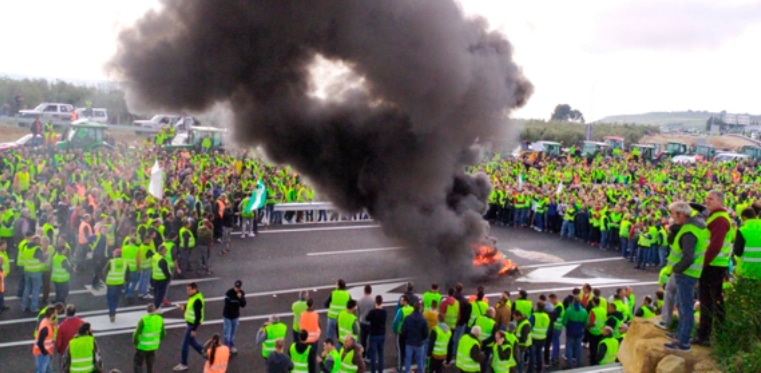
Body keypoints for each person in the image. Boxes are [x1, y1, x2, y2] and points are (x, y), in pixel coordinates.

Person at [663, 202, 707, 352]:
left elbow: (688, 257)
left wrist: (677, 269)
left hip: (686, 274)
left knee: (685, 307)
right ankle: (682, 336)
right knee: (683, 306)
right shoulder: (696, 225)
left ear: (682, 215)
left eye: (673, 215)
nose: (672, 219)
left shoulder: (689, 231)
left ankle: (683, 343)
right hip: (690, 273)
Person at [694, 191, 731, 347]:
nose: (707, 201)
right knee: (714, 300)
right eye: (706, 198)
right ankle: (717, 332)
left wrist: (703, 263)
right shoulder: (715, 217)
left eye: (711, 199)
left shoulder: (720, 219)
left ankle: (704, 335)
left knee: (708, 301)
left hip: (712, 266)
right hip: (715, 265)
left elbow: (715, 245)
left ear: (720, 201)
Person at [174, 282, 205, 371]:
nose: (187, 291)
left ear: (194, 289)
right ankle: (208, 355)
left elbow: (198, 316)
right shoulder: (194, 296)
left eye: (189, 289)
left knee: (184, 344)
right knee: (192, 342)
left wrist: (194, 329)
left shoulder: (197, 300)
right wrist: (183, 307)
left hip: (192, 325)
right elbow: (189, 306)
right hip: (190, 323)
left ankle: (184, 363)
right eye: (187, 289)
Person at [134, 304, 166, 373]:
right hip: (153, 346)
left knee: (138, 363)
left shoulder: (143, 320)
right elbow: (163, 334)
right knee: (150, 364)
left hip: (142, 346)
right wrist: (157, 340)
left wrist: (136, 343)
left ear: (147, 311)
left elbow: (136, 334)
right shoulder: (160, 319)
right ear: (155, 310)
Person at [562, 296, 588, 370]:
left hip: (570, 331)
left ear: (573, 301)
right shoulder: (584, 311)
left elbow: (564, 322)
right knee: (578, 347)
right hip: (579, 332)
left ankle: (569, 364)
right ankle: (578, 363)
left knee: (569, 347)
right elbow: (586, 323)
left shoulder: (568, 310)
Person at [402, 302, 429, 373]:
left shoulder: (408, 318)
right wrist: (421, 339)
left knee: (408, 360)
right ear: (420, 309)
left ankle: (407, 371)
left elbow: (404, 330)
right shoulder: (423, 320)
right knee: (420, 361)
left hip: (409, 342)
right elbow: (426, 333)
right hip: (419, 343)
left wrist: (407, 338)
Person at [22, 235, 45, 313]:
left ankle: (23, 306)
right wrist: (46, 254)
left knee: (27, 288)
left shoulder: (26, 247)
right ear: (37, 241)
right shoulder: (37, 249)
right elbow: (42, 259)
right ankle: (33, 307)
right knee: (36, 290)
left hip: (27, 270)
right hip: (35, 271)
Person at [223, 280, 247, 354]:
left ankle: (231, 346)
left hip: (235, 316)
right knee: (227, 333)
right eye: (236, 287)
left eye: (238, 288)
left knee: (232, 333)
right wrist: (236, 301)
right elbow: (227, 304)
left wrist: (240, 298)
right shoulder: (229, 293)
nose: (237, 289)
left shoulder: (241, 293)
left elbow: (243, 304)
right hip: (227, 316)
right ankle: (227, 348)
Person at [365, 295, 387, 373]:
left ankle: (373, 371)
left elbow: (367, 318)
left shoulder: (372, 312)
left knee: (373, 355)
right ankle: (381, 370)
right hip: (382, 334)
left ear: (375, 302)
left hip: (374, 335)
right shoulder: (384, 312)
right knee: (381, 353)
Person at [104, 248, 126, 322]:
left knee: (110, 299)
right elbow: (127, 273)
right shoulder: (125, 262)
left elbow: (104, 271)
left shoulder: (111, 262)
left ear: (115, 254)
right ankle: (114, 310)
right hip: (120, 283)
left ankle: (112, 313)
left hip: (111, 283)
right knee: (116, 299)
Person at [33, 307, 56, 373]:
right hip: (42, 353)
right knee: (41, 370)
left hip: (45, 352)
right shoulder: (45, 327)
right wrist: (44, 352)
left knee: (48, 369)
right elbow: (40, 342)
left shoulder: (45, 321)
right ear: (52, 315)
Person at [150, 245, 172, 309]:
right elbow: (165, 271)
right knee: (160, 295)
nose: (166, 251)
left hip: (155, 277)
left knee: (156, 294)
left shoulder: (155, 256)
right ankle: (156, 307)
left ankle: (155, 305)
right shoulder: (161, 260)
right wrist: (169, 277)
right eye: (165, 250)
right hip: (162, 279)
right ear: (162, 251)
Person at [357, 285, 374, 355]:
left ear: (364, 291)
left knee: (363, 340)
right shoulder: (373, 301)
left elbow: (358, 311)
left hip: (362, 322)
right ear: (371, 291)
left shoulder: (360, 300)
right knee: (371, 340)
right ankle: (369, 355)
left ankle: (363, 354)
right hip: (370, 323)